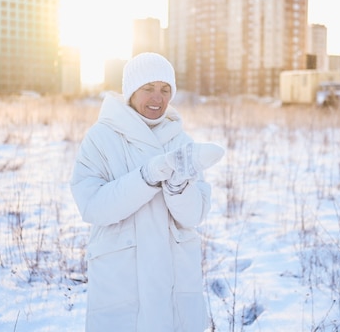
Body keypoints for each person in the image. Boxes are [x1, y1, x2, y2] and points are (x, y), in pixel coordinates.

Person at [70, 52, 224, 332]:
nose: (158, 98)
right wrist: (148, 176)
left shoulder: (181, 141)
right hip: (122, 276)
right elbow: (92, 206)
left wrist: (178, 189)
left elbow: (194, 215)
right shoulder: (101, 138)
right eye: (148, 88)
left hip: (175, 275)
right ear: (130, 91)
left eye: (165, 90)